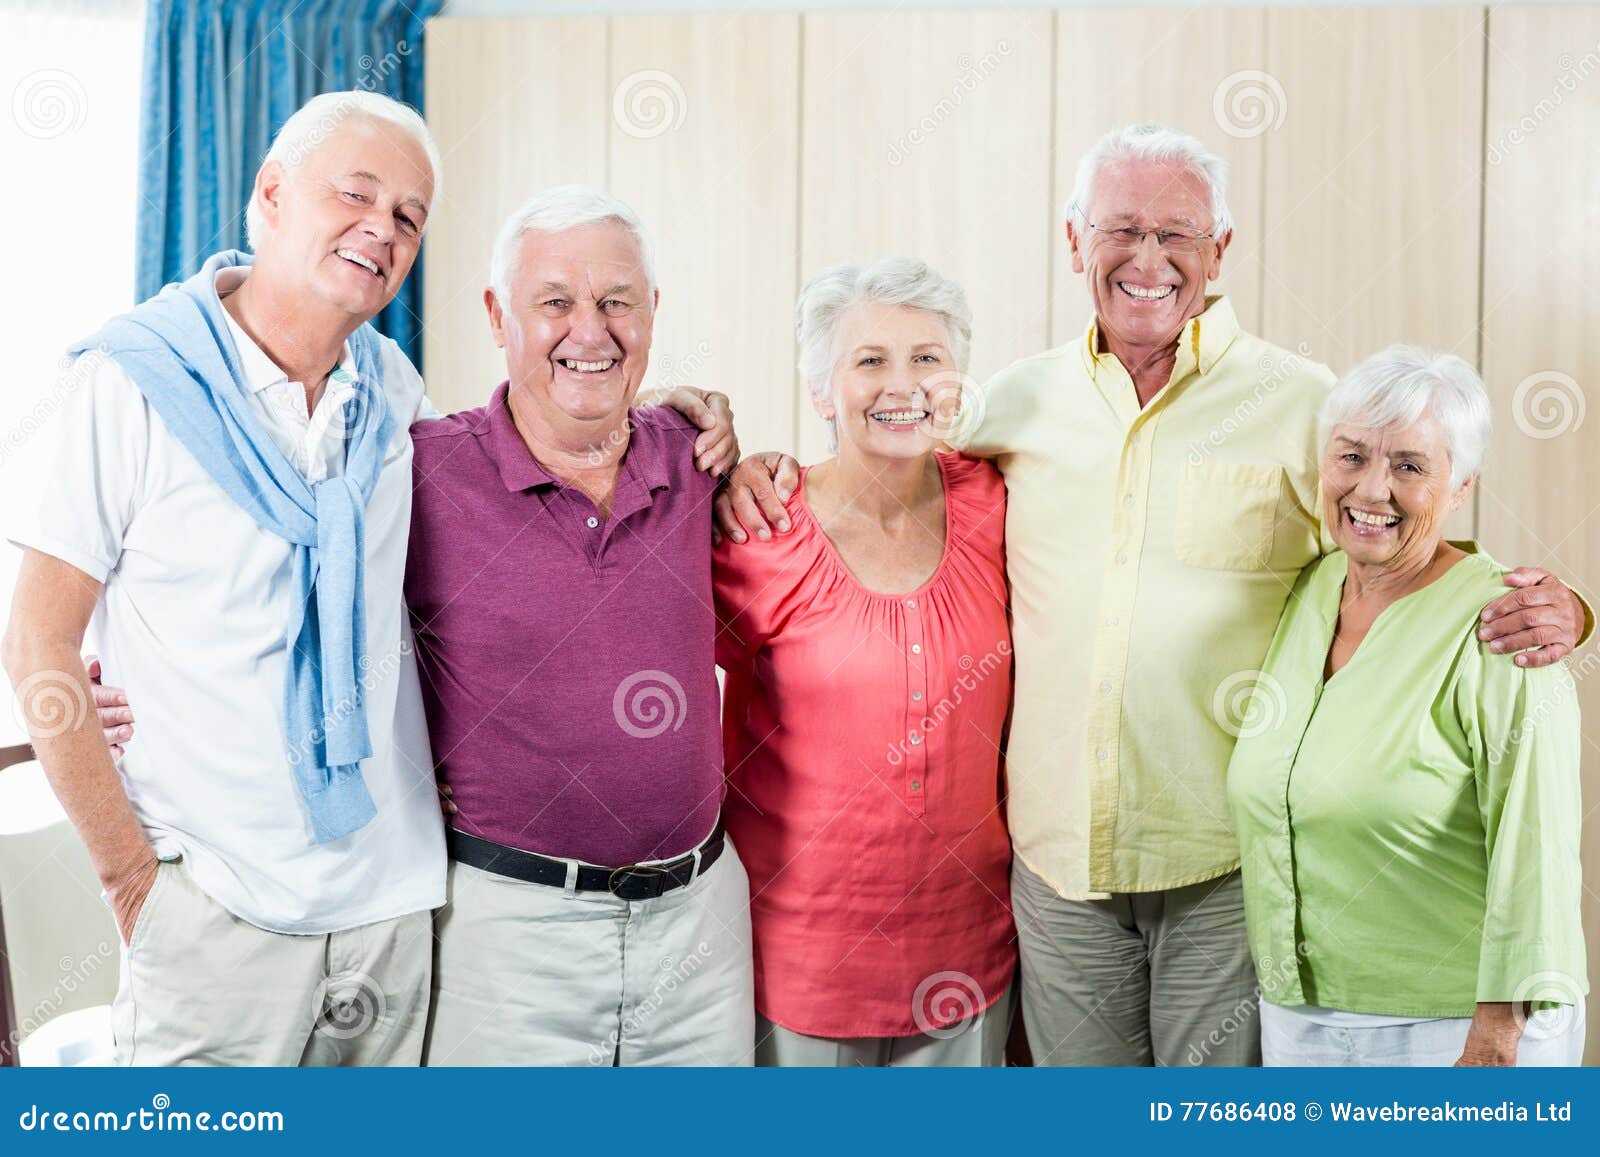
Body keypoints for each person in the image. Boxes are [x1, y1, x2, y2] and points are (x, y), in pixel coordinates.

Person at [713, 122, 1589, 1067]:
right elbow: (886, 450)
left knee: (1207, 1122)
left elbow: (1389, 519)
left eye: (1177, 234)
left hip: (1223, 870)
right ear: (1074, 241)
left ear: (1221, 250)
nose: (1148, 258)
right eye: (1120, 229)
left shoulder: (1303, 402)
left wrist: (1567, 607)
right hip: (1057, 874)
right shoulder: (1015, 402)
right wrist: (760, 467)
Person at [412, 187, 753, 1066]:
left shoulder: (695, 454)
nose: (590, 331)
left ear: (652, 312)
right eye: (555, 302)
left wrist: (768, 462)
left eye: (616, 301)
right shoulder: (422, 470)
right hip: (508, 933)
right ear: (499, 315)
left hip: (700, 923)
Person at [1228, 346, 1587, 1067]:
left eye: (1410, 466)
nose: (1372, 488)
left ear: (1461, 486)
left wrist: (1498, 1032)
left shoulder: (1506, 625)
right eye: (1352, 456)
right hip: (1300, 1013)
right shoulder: (1310, 588)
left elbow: (1538, 845)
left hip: (1456, 1024)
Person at [715, 258, 1015, 1066]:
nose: (902, 384)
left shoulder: (997, 501)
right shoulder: (759, 526)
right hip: (802, 959)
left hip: (969, 947)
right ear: (822, 390)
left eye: (927, 358)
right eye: (871, 359)